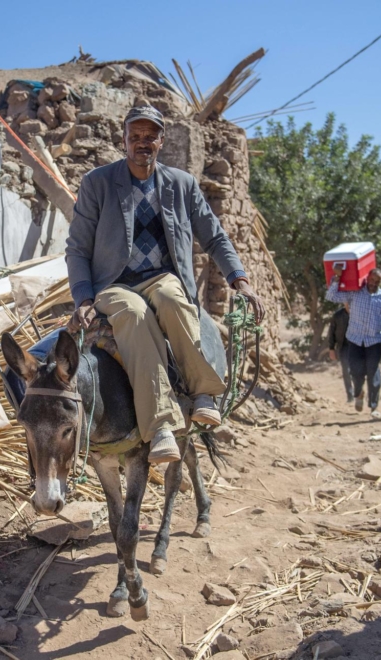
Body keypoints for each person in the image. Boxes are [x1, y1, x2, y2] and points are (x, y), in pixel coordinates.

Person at [65, 105, 264, 465]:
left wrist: (241, 280)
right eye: (135, 136)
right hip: (115, 284)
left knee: (172, 300)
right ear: (123, 140)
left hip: (162, 278)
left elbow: (215, 237)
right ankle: (160, 428)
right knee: (134, 313)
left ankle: (203, 394)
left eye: (150, 136)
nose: (143, 143)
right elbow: (77, 249)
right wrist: (82, 297)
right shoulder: (98, 183)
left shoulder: (181, 185)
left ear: (161, 140)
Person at [325, 266, 381, 415]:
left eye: (377, 281)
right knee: (355, 371)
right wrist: (336, 278)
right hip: (354, 340)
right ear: (367, 278)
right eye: (372, 280)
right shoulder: (355, 292)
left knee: (372, 372)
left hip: (373, 342)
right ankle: (359, 393)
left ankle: (374, 406)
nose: (374, 283)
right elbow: (331, 296)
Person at [327, 303, 353, 402]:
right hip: (344, 347)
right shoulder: (337, 316)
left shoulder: (360, 314)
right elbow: (331, 332)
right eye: (348, 302)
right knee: (346, 371)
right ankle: (350, 396)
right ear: (344, 303)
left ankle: (358, 393)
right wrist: (331, 349)